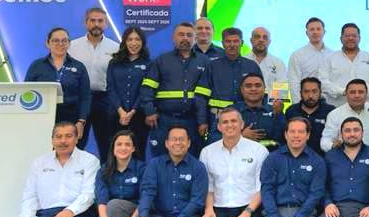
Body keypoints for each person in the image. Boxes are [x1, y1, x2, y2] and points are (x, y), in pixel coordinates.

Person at [139, 22, 210, 159]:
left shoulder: (204, 62)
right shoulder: (161, 60)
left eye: (189, 35)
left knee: (191, 158)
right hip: (164, 120)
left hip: (192, 121)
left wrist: (202, 121)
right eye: (181, 35)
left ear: (195, 38)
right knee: (161, 158)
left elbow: (203, 95)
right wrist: (149, 111)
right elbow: (147, 87)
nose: (185, 38)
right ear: (173, 38)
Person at [26, 27, 92, 139]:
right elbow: (26, 92)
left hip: (71, 120)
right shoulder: (37, 66)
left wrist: (81, 122)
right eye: (56, 40)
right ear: (47, 43)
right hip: (42, 118)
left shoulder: (79, 67)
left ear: (69, 44)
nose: (60, 44)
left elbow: (85, 97)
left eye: (64, 41)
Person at [68, 7, 119, 154]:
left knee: (107, 144)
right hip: (79, 100)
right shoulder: (72, 46)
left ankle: (107, 169)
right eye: (92, 20)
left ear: (106, 24)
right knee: (76, 142)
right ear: (86, 23)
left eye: (100, 21)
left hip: (104, 100)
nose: (96, 24)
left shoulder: (116, 48)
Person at [106, 27, 151, 160]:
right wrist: (121, 111)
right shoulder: (114, 63)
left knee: (138, 151)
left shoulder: (149, 64)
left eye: (137, 39)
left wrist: (132, 111)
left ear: (142, 42)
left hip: (139, 116)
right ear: (124, 42)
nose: (133, 43)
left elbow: (145, 90)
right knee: (115, 152)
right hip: (116, 115)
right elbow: (111, 88)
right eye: (130, 39)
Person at [321, 22, 369, 108]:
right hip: (336, 107)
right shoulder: (329, 58)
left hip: (365, 108)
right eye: (347, 36)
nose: (350, 38)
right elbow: (322, 82)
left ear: (359, 38)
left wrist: (361, 92)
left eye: (354, 36)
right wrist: (342, 91)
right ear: (341, 38)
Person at [207, 27, 263, 114]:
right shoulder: (212, 66)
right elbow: (202, 96)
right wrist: (202, 119)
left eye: (236, 41)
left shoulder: (252, 66)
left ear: (242, 43)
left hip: (246, 115)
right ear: (223, 44)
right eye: (228, 41)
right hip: (218, 116)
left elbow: (261, 93)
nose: (232, 45)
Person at [324, 78, 369, 150]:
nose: (357, 95)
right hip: (345, 155)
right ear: (346, 94)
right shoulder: (334, 114)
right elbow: (325, 140)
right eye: (352, 92)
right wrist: (333, 145)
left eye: (361, 92)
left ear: (366, 94)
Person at [223, 75, 284, 149]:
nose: (253, 89)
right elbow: (214, 138)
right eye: (248, 86)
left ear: (264, 88)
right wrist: (240, 137)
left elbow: (284, 140)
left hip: (269, 155)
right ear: (241, 89)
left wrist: (278, 115)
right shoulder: (229, 112)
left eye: (258, 85)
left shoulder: (275, 110)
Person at [287, 17, 333, 103]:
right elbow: (294, 83)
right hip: (307, 102)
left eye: (318, 29)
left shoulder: (333, 55)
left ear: (324, 32)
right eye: (312, 29)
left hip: (329, 102)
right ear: (306, 33)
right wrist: (299, 105)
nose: (315, 32)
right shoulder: (297, 55)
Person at [285, 77, 335, 154]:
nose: (310, 96)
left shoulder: (330, 111)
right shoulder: (291, 111)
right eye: (306, 92)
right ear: (300, 93)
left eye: (314, 91)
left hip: (323, 158)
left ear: (320, 93)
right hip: (295, 157)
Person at [247, 26, 288, 97]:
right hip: (245, 103)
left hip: (270, 103)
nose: (261, 40)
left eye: (265, 37)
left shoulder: (278, 63)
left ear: (269, 42)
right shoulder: (243, 61)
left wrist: (269, 104)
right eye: (257, 37)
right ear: (251, 40)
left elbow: (281, 93)